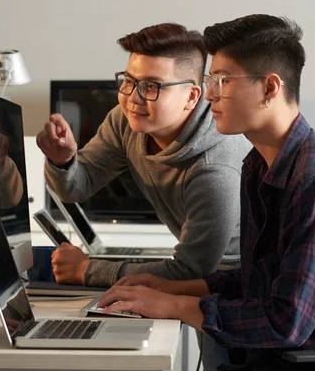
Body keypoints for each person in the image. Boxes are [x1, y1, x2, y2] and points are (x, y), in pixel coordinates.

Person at [97, 15, 315, 371]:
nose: (209, 94)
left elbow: (286, 321)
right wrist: (170, 288)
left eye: (222, 81)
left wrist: (172, 306)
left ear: (270, 88)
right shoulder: (257, 165)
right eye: (210, 79)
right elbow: (257, 282)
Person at [36, 22, 250, 292]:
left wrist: (87, 270)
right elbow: (78, 186)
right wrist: (63, 161)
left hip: (238, 283)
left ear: (192, 96)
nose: (133, 98)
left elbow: (191, 270)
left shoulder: (215, 168)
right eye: (128, 81)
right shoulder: (126, 121)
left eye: (151, 86)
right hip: (199, 271)